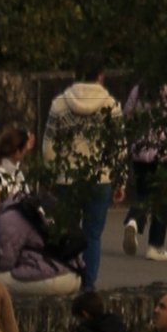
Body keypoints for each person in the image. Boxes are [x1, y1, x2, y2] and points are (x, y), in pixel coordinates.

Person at [42, 73, 124, 288]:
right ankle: (88, 285)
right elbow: (118, 146)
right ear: (101, 76)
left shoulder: (60, 104)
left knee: (66, 231)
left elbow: (49, 145)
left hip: (67, 176)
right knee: (93, 235)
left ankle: (65, 279)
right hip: (100, 177)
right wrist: (120, 180)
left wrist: (51, 173)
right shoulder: (110, 105)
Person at [0, 184, 80, 300]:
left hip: (53, 276)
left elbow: (6, 263)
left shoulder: (7, 219)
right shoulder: (26, 207)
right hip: (74, 271)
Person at [121, 83, 167, 260]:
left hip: (140, 151)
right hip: (163, 153)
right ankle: (155, 245)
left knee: (143, 192)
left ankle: (133, 221)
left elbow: (126, 115)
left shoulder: (138, 90)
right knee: (161, 198)